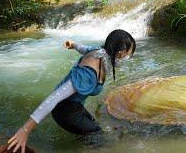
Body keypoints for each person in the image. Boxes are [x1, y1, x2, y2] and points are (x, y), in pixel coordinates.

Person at [7, 29, 136, 153]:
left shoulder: (99, 52)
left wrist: (73, 44)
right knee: (99, 136)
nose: (128, 58)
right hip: (64, 112)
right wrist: (25, 130)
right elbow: (53, 98)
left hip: (74, 106)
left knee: (92, 125)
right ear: (120, 53)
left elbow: (83, 48)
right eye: (128, 55)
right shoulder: (87, 75)